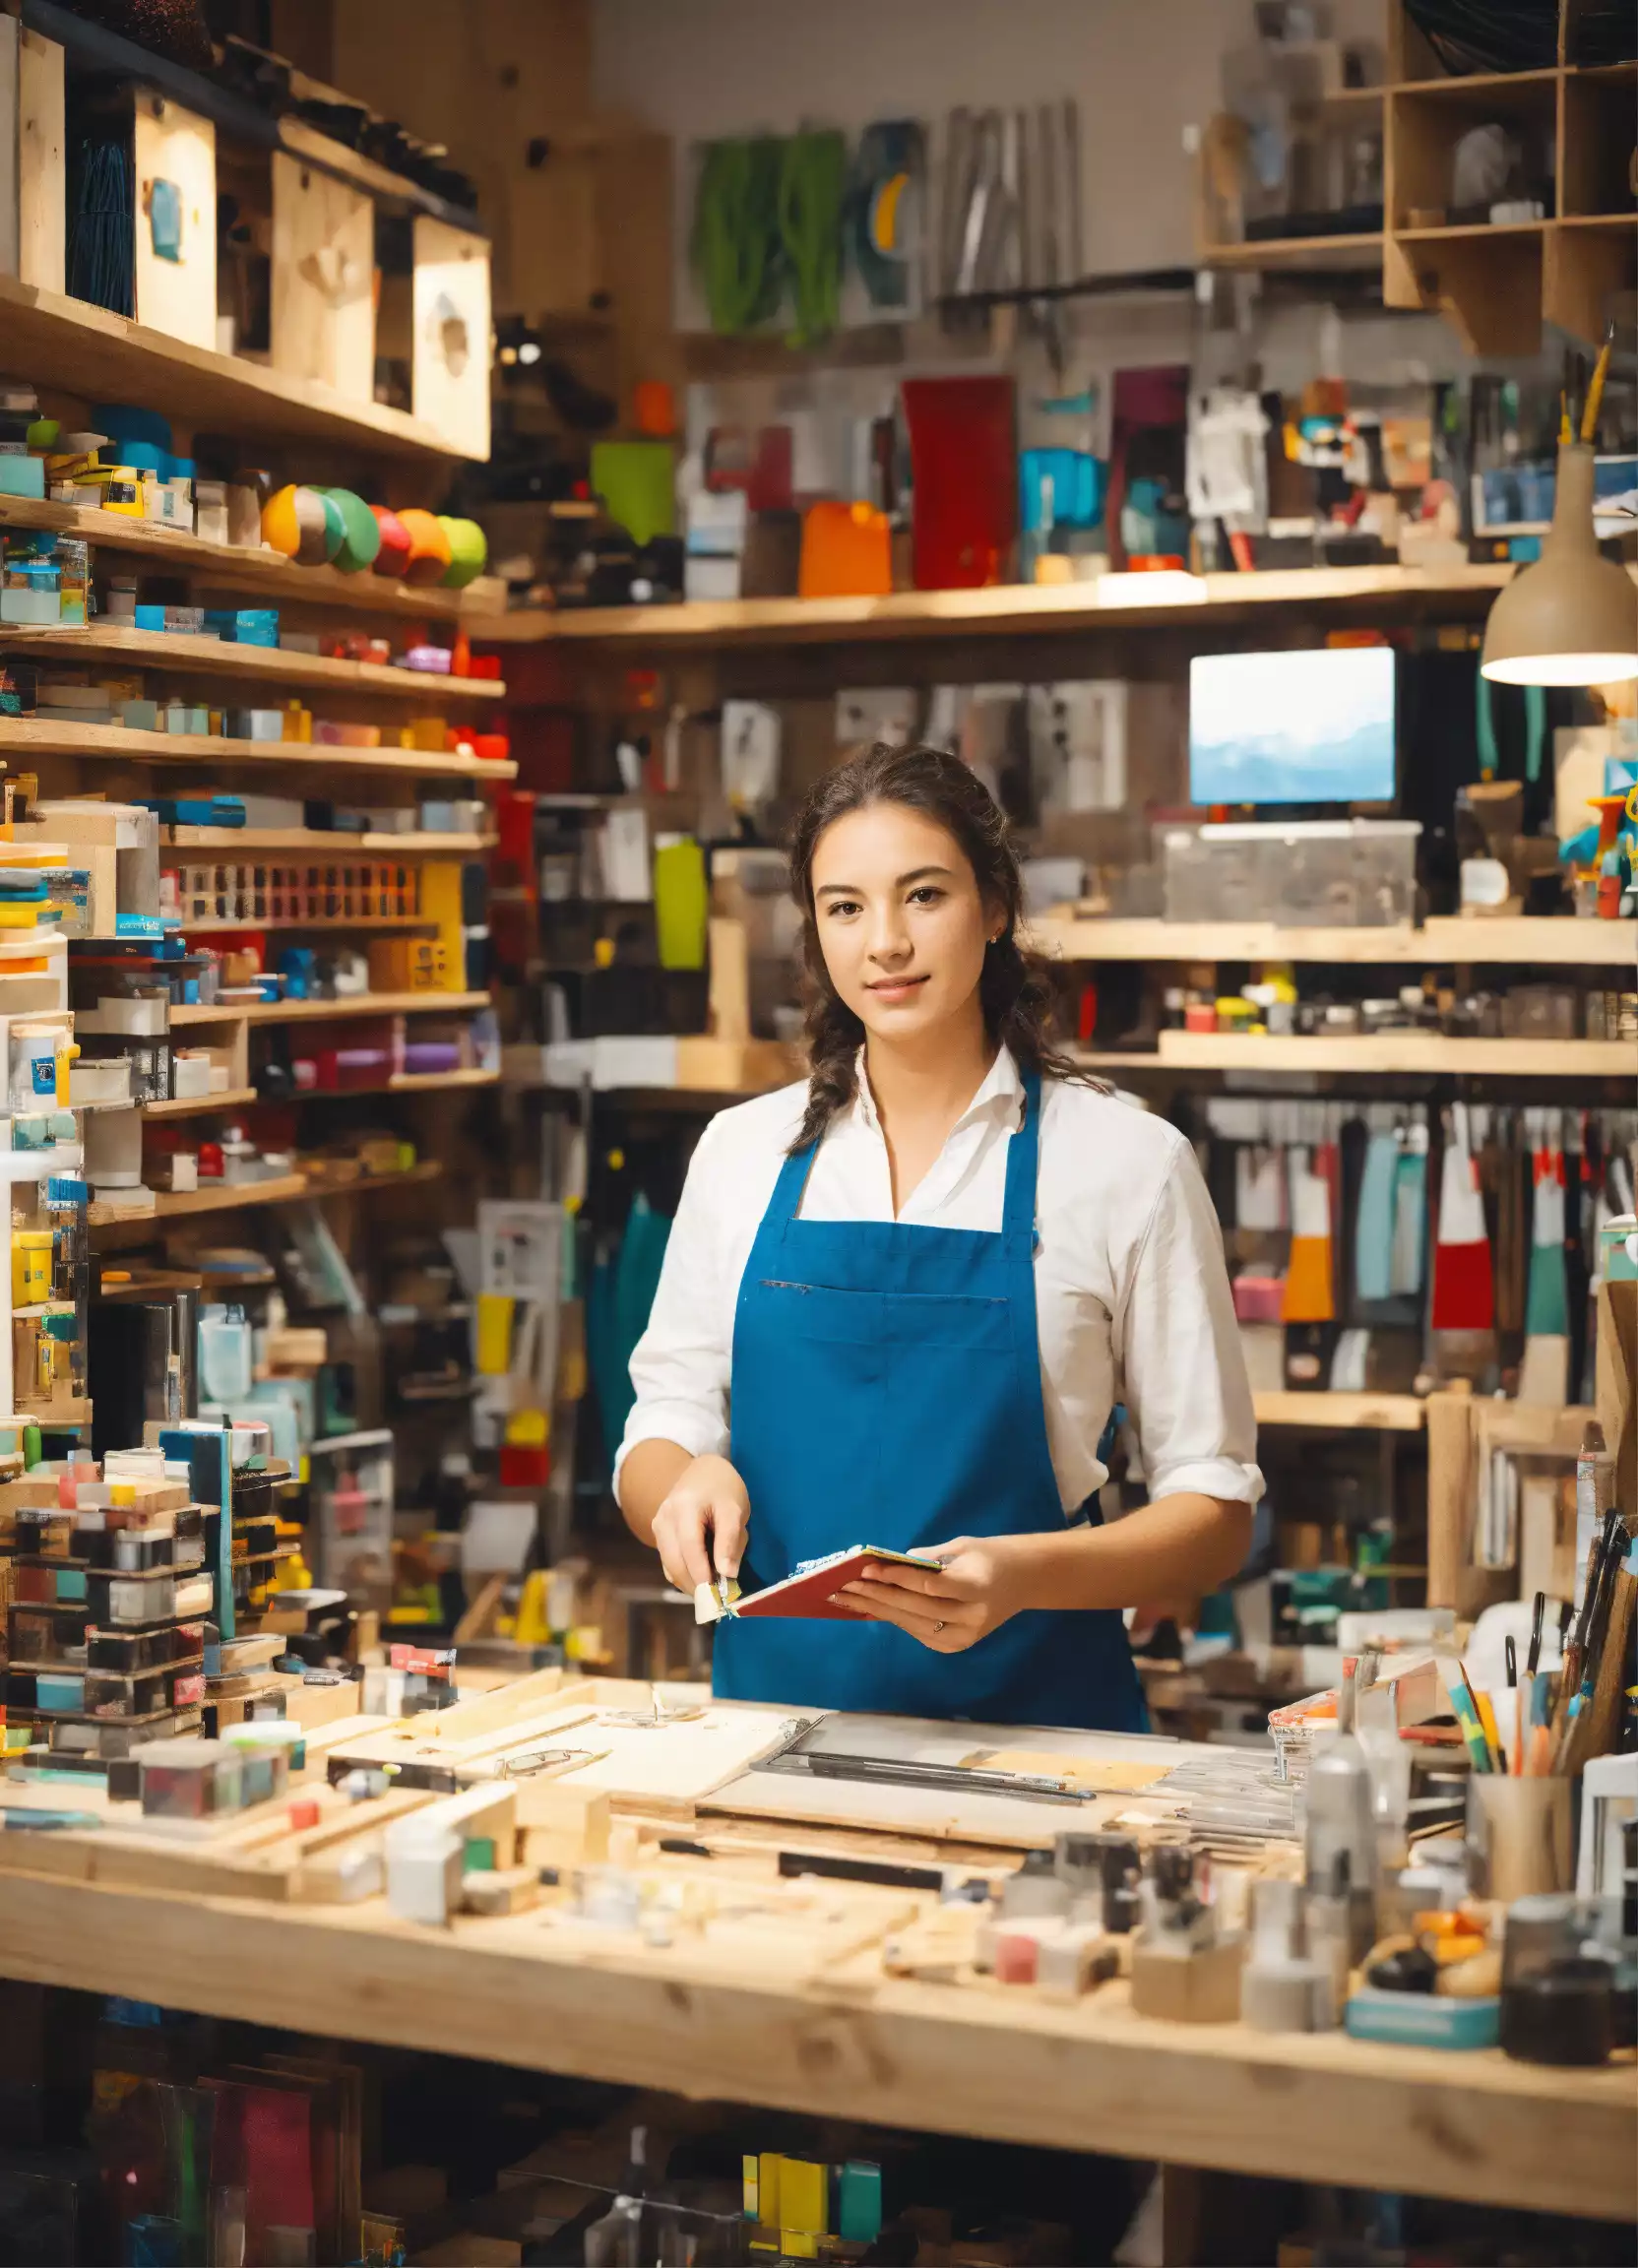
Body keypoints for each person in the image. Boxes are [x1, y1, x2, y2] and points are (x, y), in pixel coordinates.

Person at [615, 742, 1261, 1728]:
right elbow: (664, 1420)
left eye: (922, 895)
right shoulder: (739, 1154)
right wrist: (685, 1479)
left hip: (1044, 1749)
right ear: (816, 931)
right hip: (772, 1744)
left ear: (993, 907)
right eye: (844, 906)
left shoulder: (1127, 1164)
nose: (884, 942)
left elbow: (1212, 1514)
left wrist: (1023, 1574)